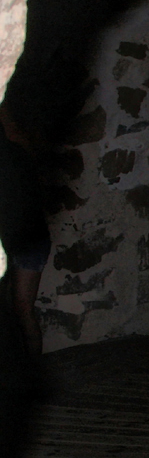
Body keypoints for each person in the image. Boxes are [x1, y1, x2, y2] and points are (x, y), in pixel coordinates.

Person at [0, 102, 49, 355]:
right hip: (19, 237)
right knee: (17, 309)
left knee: (20, 308)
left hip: (27, 237)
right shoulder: (18, 150)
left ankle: (30, 371)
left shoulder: (16, 152)